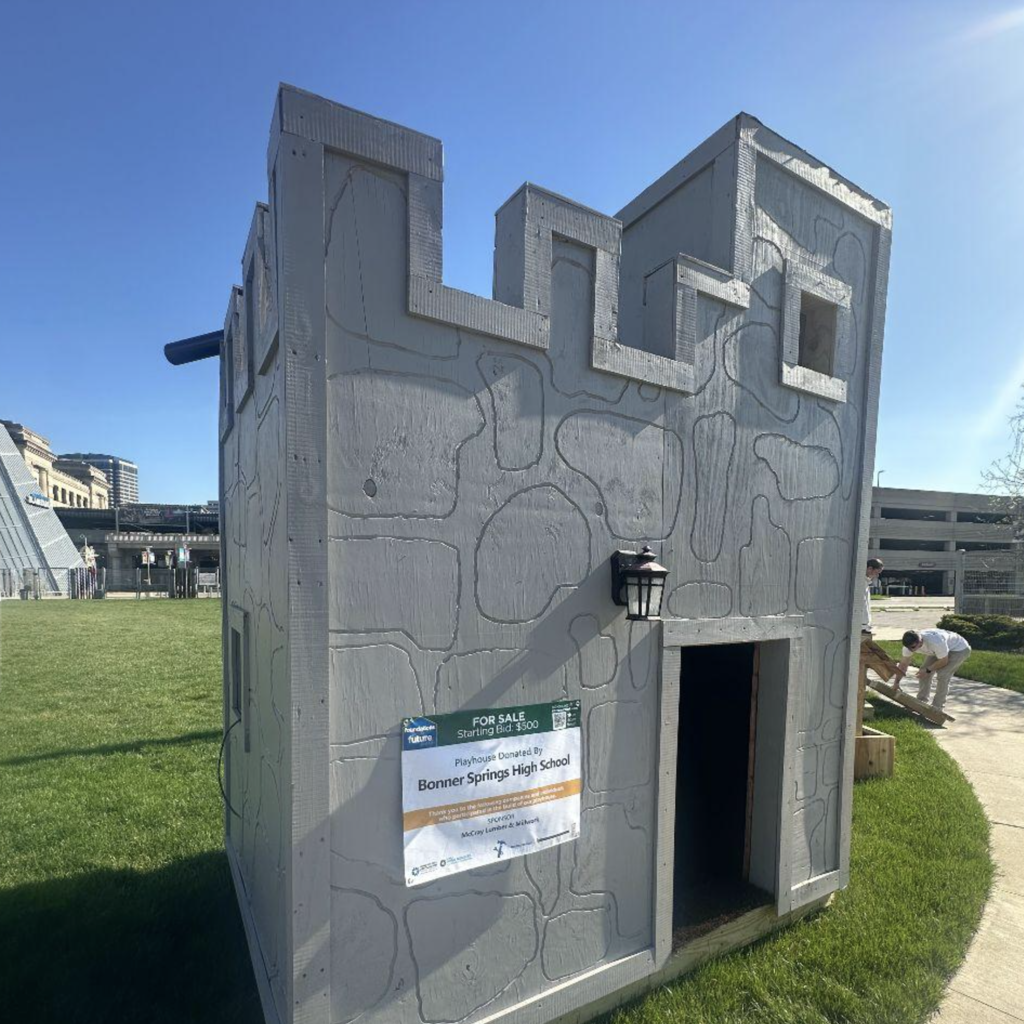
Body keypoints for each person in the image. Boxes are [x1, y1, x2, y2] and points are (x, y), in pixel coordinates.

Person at [893, 628, 971, 713]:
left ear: (920, 641)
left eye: (913, 647)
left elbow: (944, 661)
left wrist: (928, 670)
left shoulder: (935, 642)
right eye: (909, 648)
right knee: (923, 672)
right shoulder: (908, 647)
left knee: (943, 675)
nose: (911, 650)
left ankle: (937, 707)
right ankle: (921, 701)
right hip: (939, 650)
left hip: (959, 649)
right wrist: (896, 683)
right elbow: (903, 665)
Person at [862, 558, 884, 635]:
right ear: (870, 569)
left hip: (864, 625)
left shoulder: (866, 582)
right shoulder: (861, 583)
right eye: (876, 572)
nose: (877, 575)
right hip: (861, 625)